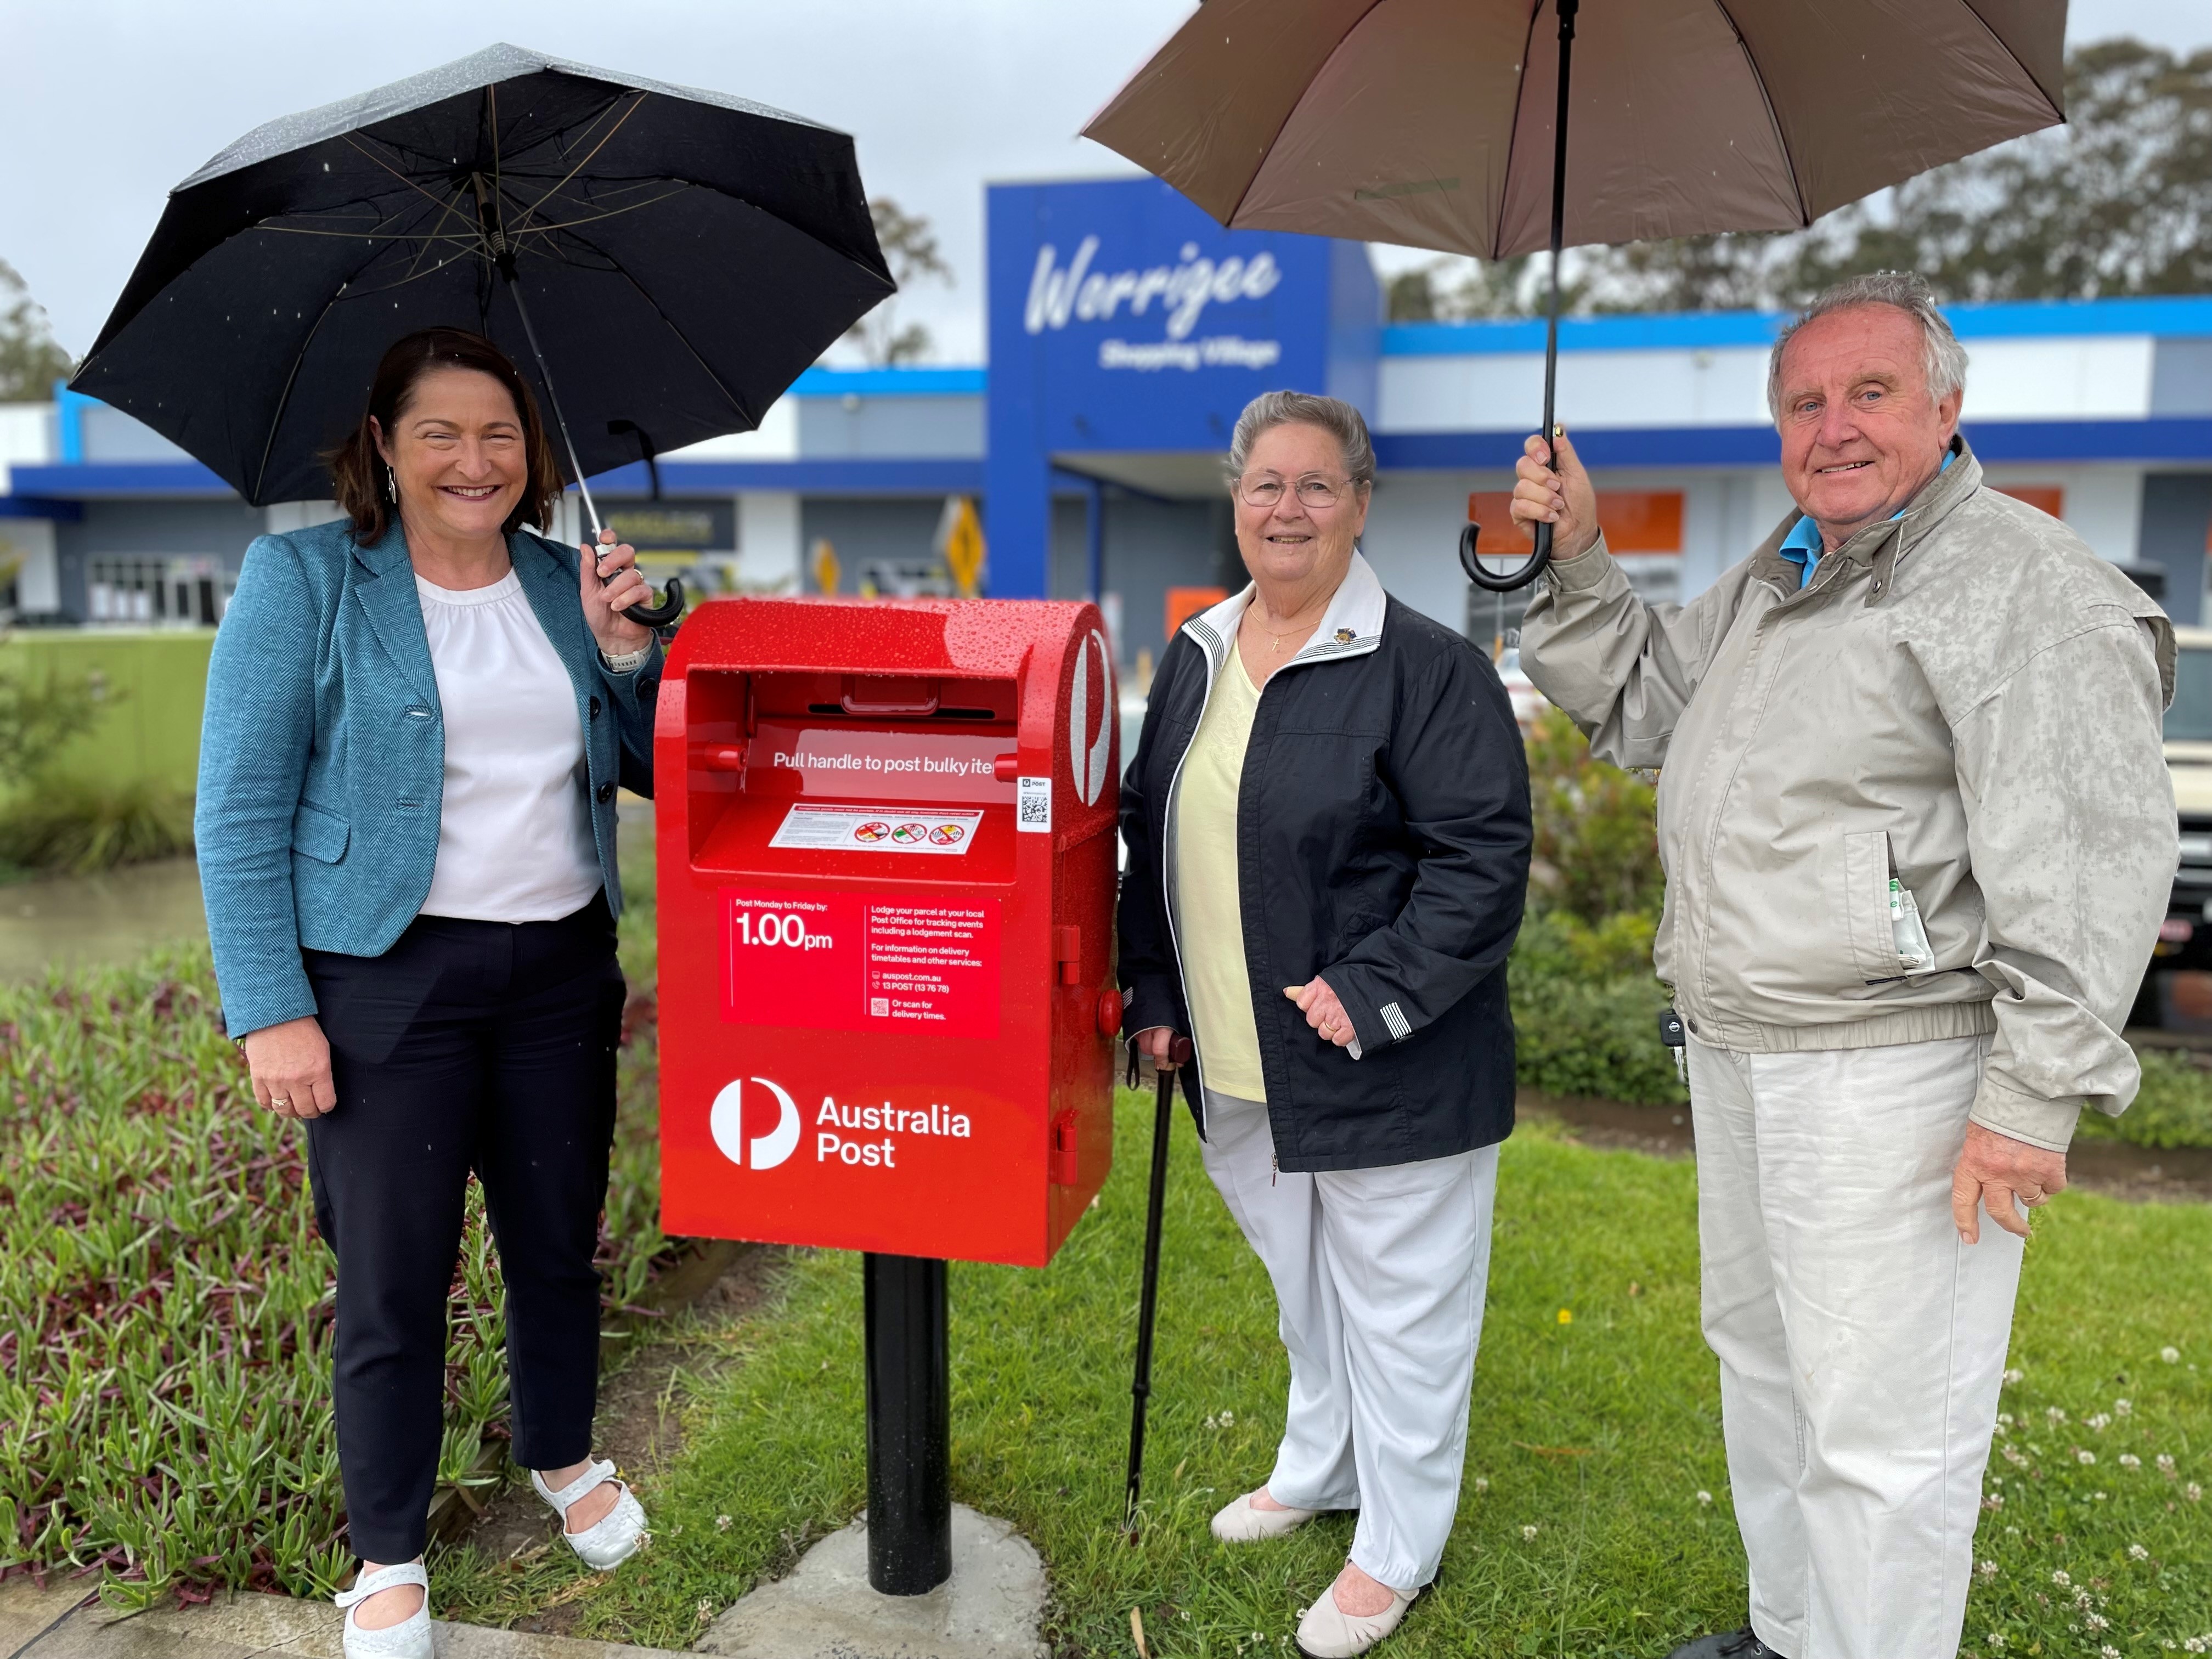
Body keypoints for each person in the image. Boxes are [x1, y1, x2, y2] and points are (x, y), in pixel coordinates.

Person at [1510, 272, 2175, 1659]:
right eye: (1804, 401)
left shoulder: (2020, 586)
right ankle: (1791, 1632)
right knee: (1766, 1373)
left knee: (1886, 1434)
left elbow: (2092, 858)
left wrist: (2027, 1100)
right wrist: (1576, 557)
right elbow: (1646, 709)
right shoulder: (1786, 572)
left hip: (1899, 1074)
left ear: (1946, 405)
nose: (1835, 427)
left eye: (1870, 391)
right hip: (1747, 1053)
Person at [196, 328, 667, 1658]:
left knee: (555, 1245)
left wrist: (628, 654)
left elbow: (642, 766)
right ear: (387, 449)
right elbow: (236, 811)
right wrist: (271, 1008)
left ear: (536, 454)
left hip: (559, 970)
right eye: (443, 434)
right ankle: (387, 1554)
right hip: (383, 981)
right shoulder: (307, 580)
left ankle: (565, 1458)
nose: (477, 459)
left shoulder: (565, 578)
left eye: (502, 433)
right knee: (395, 1280)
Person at [1120, 391, 1531, 1659]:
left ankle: (1398, 1548)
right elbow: (1156, 838)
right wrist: (1155, 995)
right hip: (1241, 1069)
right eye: (1264, 484)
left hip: (1385, 1064)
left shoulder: (1429, 668)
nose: (1285, 508)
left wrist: (1371, 988)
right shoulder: (1196, 656)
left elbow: (1482, 858)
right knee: (1308, 1297)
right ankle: (1323, 1467)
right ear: (1233, 502)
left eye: (1315, 485)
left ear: (1360, 505)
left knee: (1404, 1316)